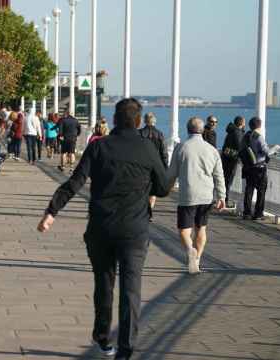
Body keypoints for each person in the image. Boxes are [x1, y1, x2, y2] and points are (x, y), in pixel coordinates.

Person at [38, 99, 170, 359]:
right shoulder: (148, 148)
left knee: (104, 283)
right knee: (131, 290)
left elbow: (75, 181)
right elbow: (163, 188)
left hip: (101, 227)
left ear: (115, 120)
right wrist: (144, 186)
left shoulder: (100, 146)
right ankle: (125, 349)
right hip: (135, 229)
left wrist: (51, 211)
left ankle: (102, 338)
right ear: (138, 121)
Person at [168, 117, 226, 274]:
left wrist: (166, 186)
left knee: (184, 230)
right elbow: (219, 175)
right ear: (202, 130)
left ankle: (189, 249)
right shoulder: (212, 150)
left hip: (188, 194)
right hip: (206, 195)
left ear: (187, 129)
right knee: (201, 229)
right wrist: (222, 196)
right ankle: (197, 260)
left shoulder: (181, 147)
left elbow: (172, 172)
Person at [139, 112, 169, 221]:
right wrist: (165, 167)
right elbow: (164, 152)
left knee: (143, 189)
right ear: (154, 121)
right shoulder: (160, 134)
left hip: (142, 165)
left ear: (144, 121)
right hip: (156, 166)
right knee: (153, 191)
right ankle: (150, 209)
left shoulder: (140, 133)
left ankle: (145, 211)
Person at [241, 117, 269, 221]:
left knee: (249, 190)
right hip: (259, 167)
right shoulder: (258, 137)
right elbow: (265, 151)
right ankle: (258, 213)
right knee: (261, 191)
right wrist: (274, 150)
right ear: (260, 125)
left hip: (248, 167)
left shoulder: (246, 135)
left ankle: (247, 213)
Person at [221, 116, 246, 207]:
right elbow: (240, 147)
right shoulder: (237, 133)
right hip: (231, 159)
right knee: (228, 180)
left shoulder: (231, 131)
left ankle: (223, 199)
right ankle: (225, 201)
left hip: (226, 157)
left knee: (226, 180)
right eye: (244, 122)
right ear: (242, 123)